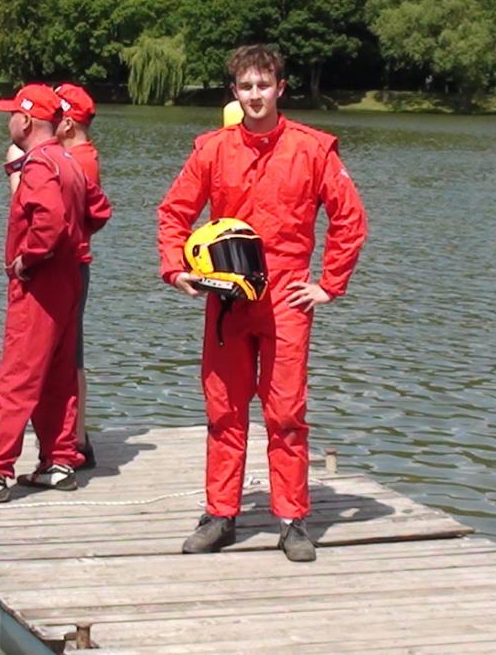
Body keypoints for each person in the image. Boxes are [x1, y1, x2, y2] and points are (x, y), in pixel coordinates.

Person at [156, 45, 368, 562]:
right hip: (228, 302)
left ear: (280, 89)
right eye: (246, 87)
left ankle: (292, 520)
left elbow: (350, 218)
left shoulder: (313, 149)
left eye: (263, 85)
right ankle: (220, 515)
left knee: (286, 414)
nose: (255, 95)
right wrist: (176, 268)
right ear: (235, 92)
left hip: (288, 302)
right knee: (223, 411)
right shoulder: (212, 150)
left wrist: (329, 284)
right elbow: (173, 211)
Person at [0, 83, 111, 503]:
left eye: (13, 114)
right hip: (69, 281)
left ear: (28, 121)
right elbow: (99, 210)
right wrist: (72, 241)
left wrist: (29, 258)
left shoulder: (38, 165)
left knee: (17, 377)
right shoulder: (69, 159)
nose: (9, 121)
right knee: (57, 377)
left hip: (41, 285)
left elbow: (48, 221)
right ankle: (59, 462)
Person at [55, 83, 101, 468]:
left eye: (54, 116)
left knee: (71, 355)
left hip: (70, 265)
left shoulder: (77, 162)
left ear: (68, 123)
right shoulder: (80, 156)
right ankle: (75, 435)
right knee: (72, 353)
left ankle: (76, 438)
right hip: (75, 264)